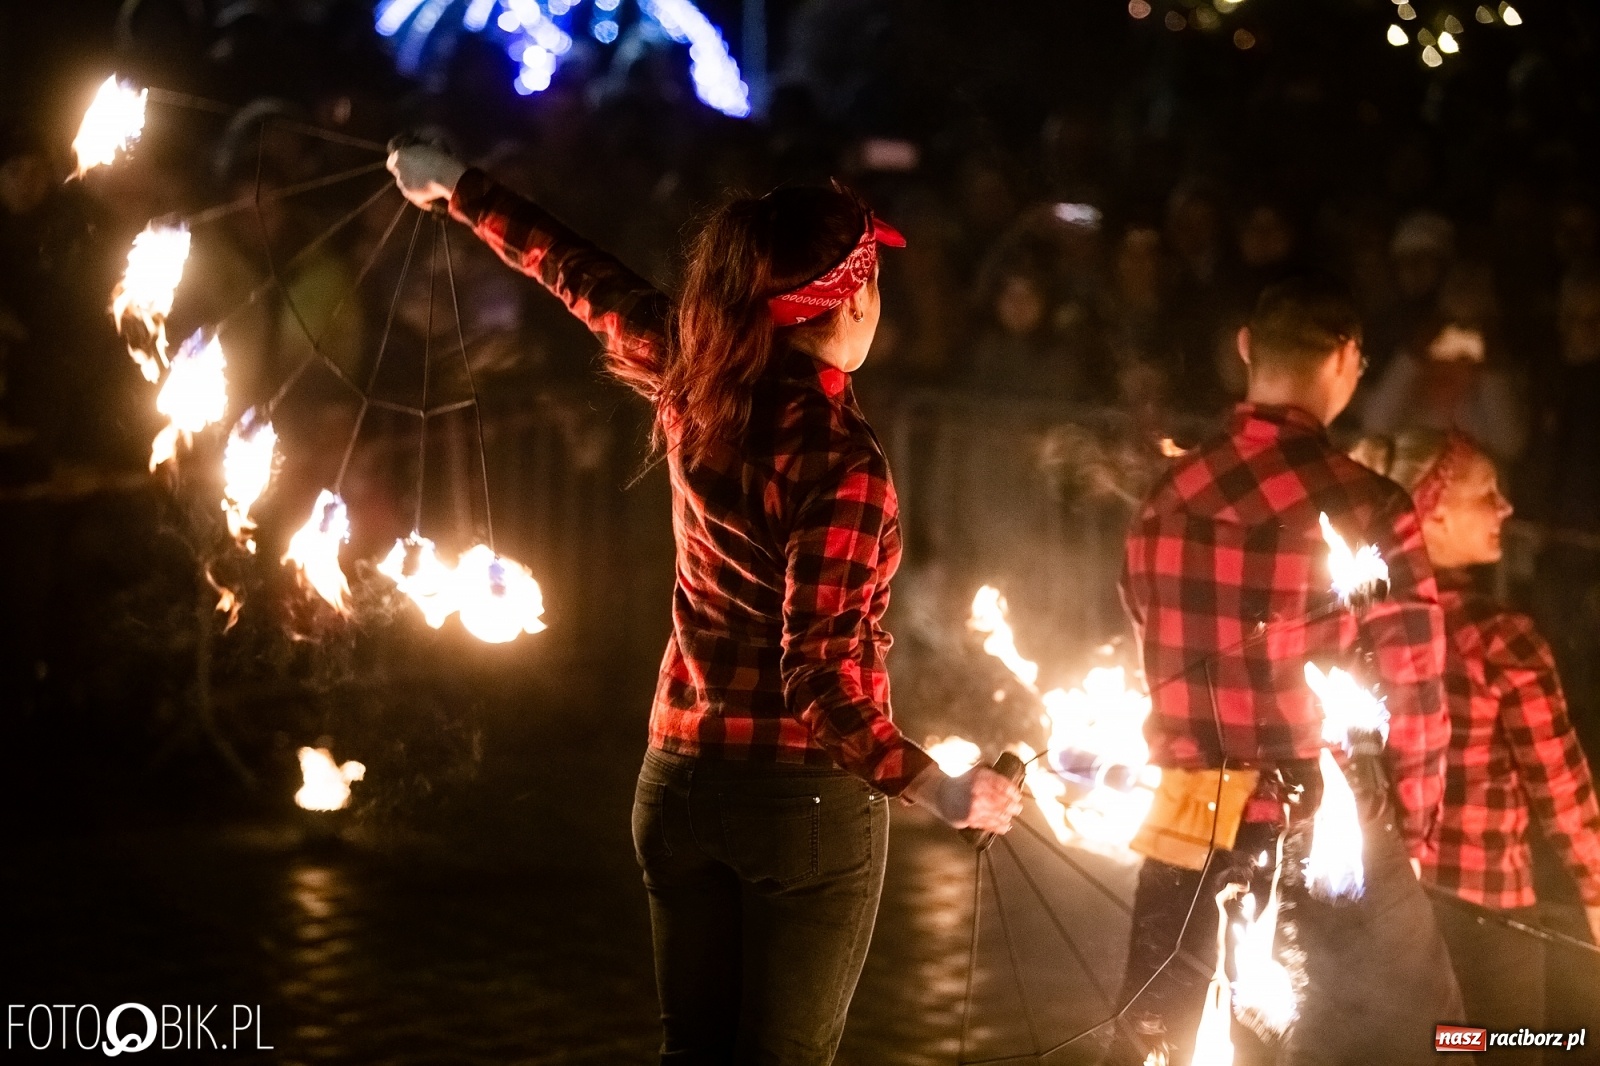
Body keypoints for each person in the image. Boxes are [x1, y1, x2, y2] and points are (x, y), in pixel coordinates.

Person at [387, 146, 1022, 1065]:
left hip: (678, 777)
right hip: (797, 803)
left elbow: (578, 273)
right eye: (875, 282)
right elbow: (816, 672)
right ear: (849, 301)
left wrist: (459, 188)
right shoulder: (842, 465)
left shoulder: (698, 372)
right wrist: (937, 785)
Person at [1108, 275, 1458, 1066]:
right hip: (1319, 836)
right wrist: (1417, 832)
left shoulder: (1167, 496)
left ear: (1245, 349)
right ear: (1346, 358)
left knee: (1153, 1043)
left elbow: (1143, 628)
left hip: (1186, 825)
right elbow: (1415, 689)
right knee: (1408, 1043)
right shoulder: (1369, 507)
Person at [1354, 429, 1600, 1063]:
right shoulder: (1500, 639)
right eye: (1488, 494)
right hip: (1491, 924)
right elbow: (1561, 783)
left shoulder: (1361, 626)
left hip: (1385, 911)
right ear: (1432, 511)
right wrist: (1598, 890)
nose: (1506, 508)